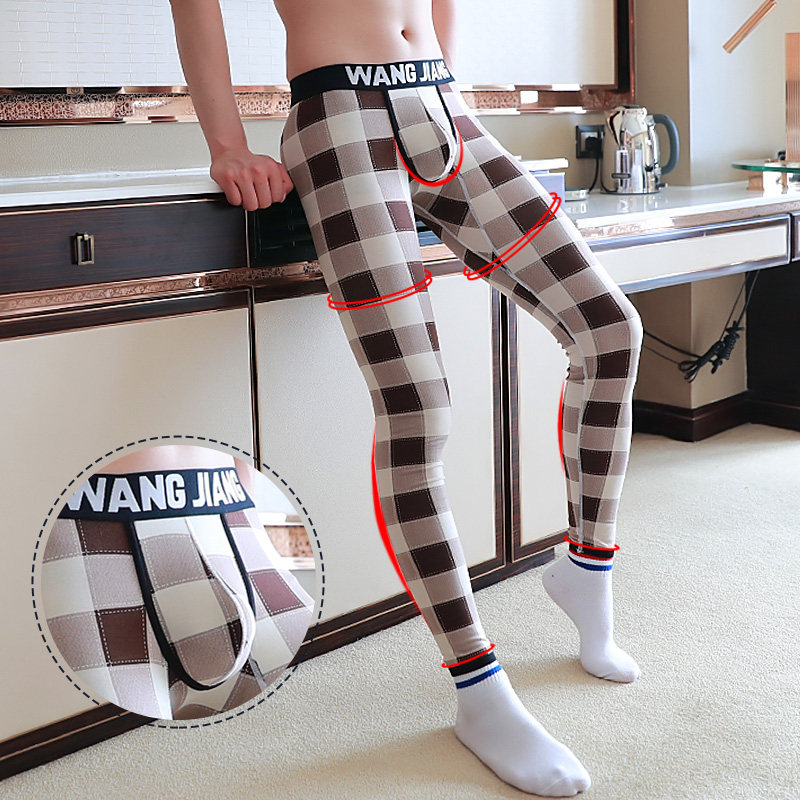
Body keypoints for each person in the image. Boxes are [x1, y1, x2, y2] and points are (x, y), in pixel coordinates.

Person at [167, 0, 644, 795]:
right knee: (418, 406)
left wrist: (444, 80)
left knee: (610, 328)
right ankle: (479, 688)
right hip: (338, 116)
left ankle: (588, 570)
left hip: (439, 104)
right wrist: (226, 145)